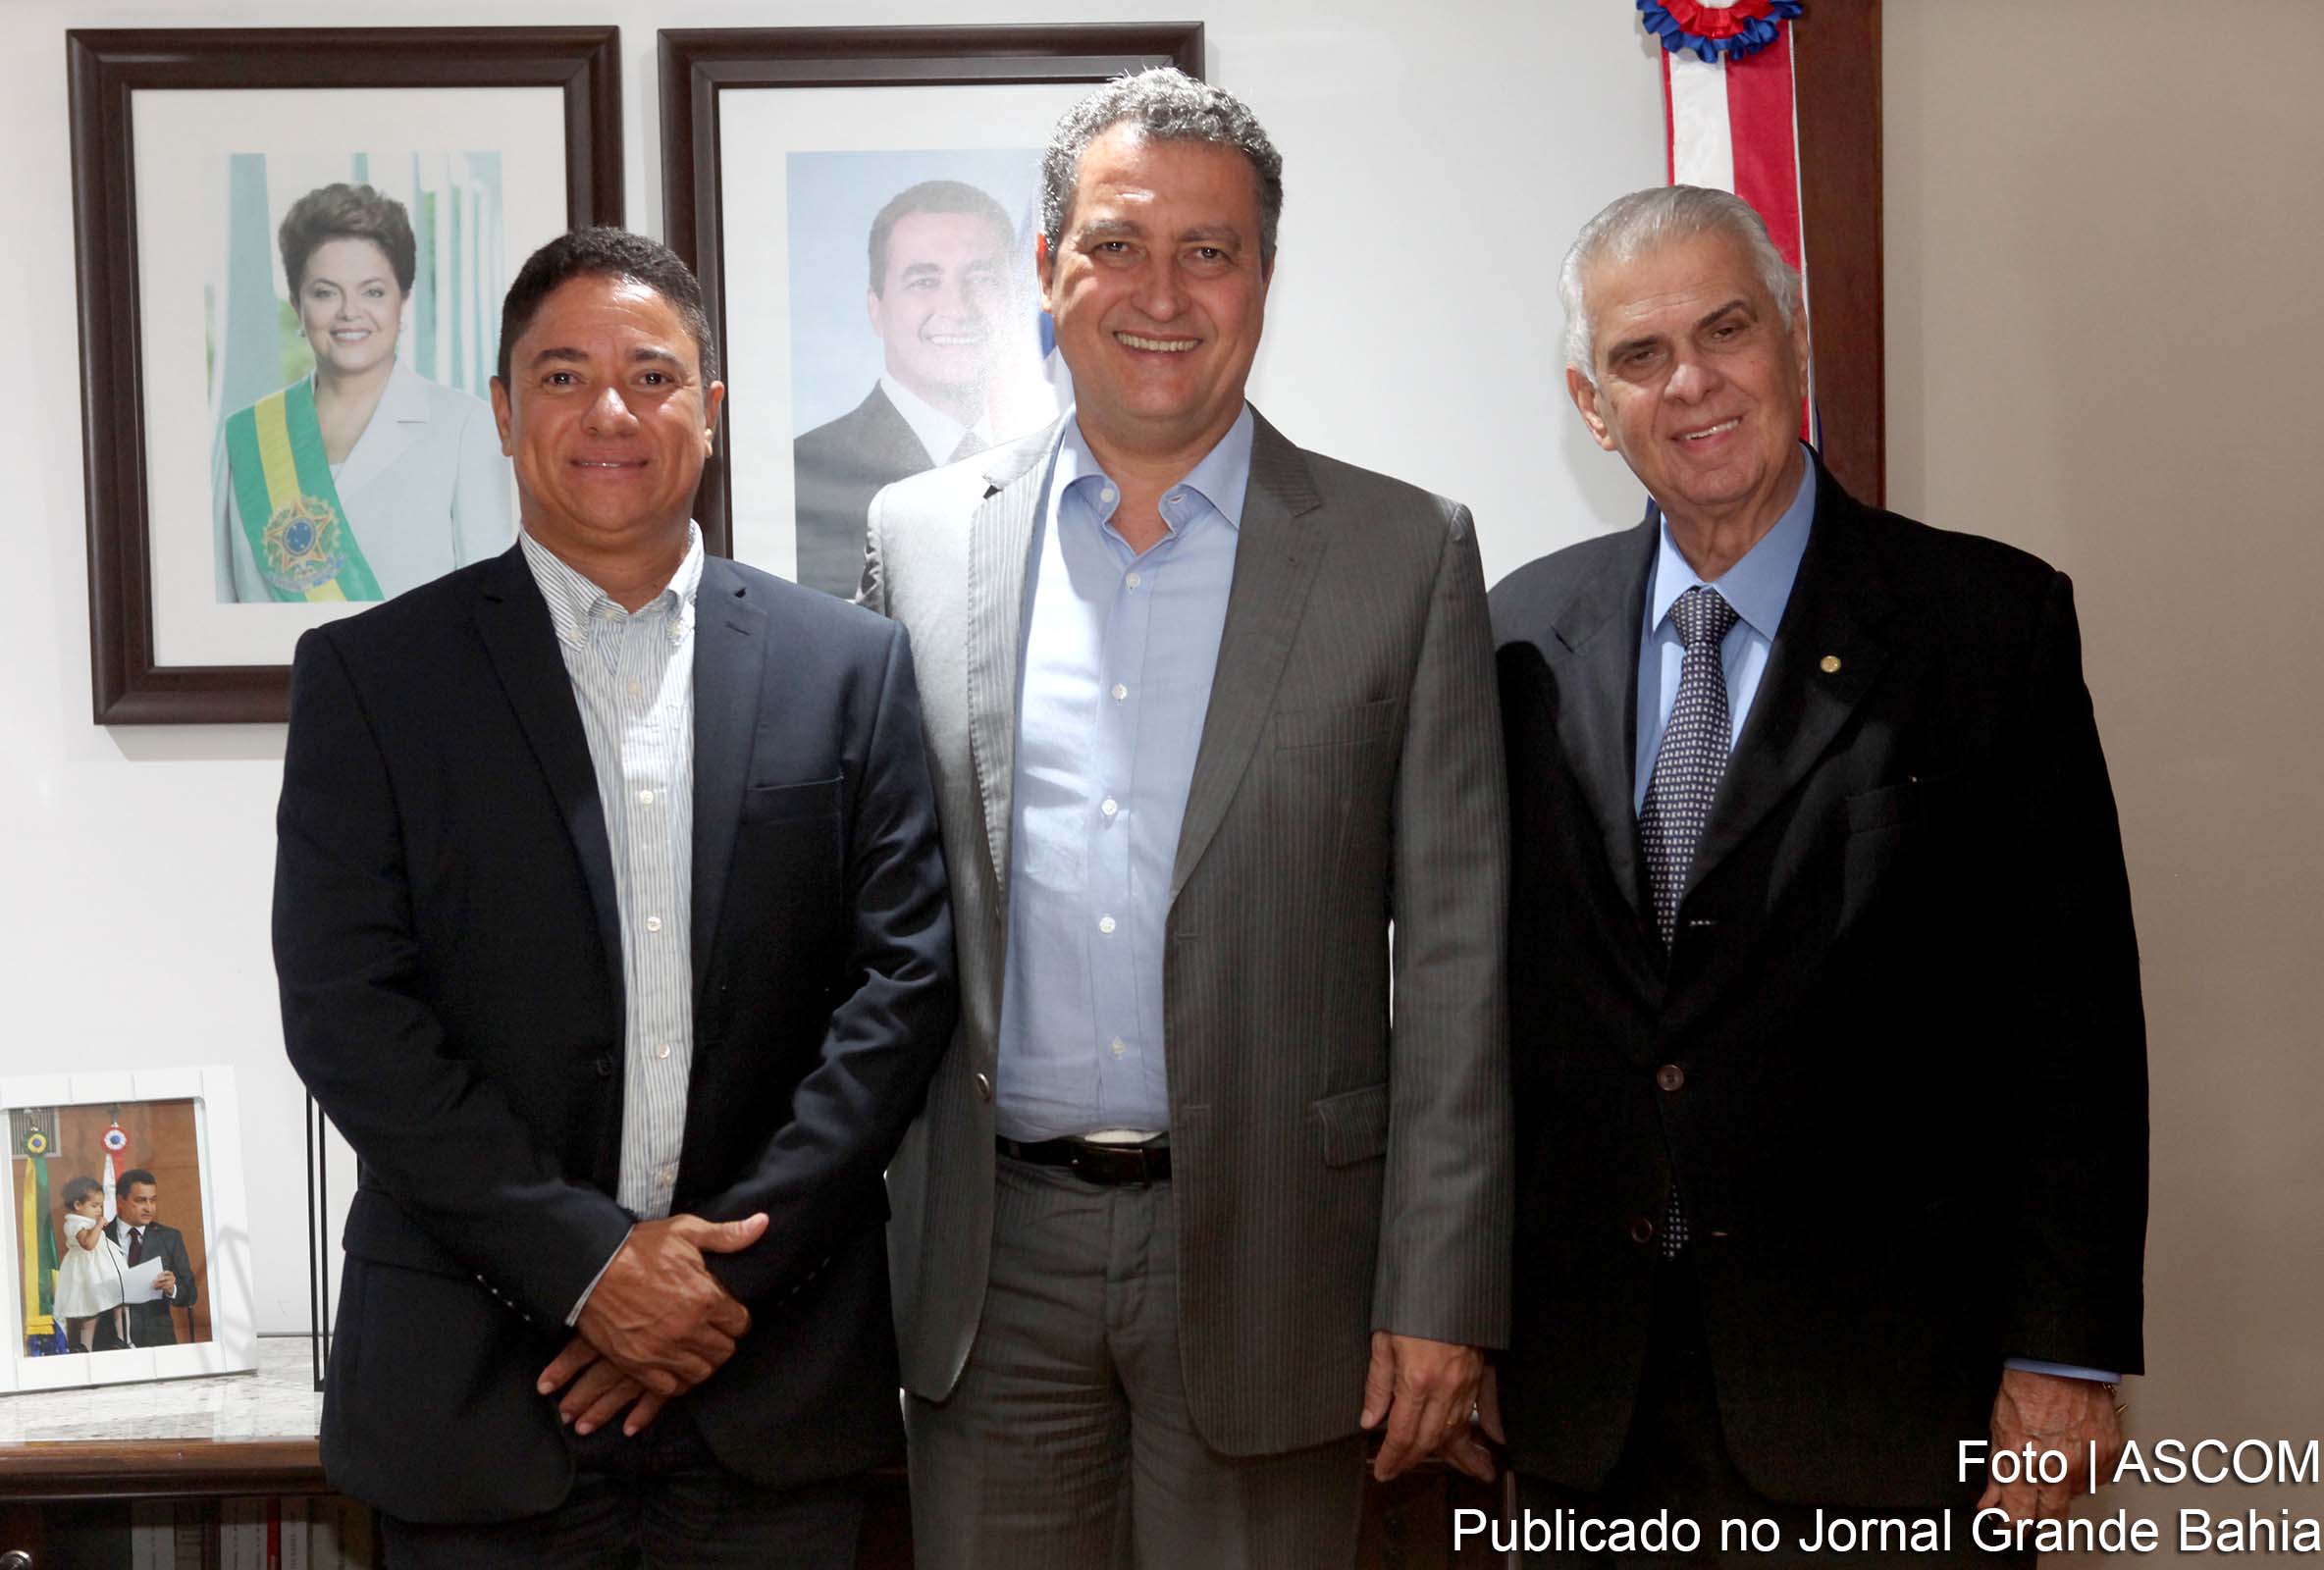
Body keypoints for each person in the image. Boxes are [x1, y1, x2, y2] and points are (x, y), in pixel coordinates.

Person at [863, 69, 1511, 1569]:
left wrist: (1440, 1290)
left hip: (1282, 1257)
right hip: (991, 1257)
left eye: (1209, 252)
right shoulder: (917, 538)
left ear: (1265, 279)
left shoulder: (1402, 555)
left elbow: (1463, 963)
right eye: (1116, 245)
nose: (1162, 292)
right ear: (1048, 272)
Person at [273, 227, 957, 1567]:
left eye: (652, 375)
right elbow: (350, 1013)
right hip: (476, 1394)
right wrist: (589, 1269)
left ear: (709, 408)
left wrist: (708, 1290)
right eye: (563, 375)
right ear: (501, 409)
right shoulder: (376, 678)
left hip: (769, 1383)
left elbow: (904, 989)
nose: (609, 413)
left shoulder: (851, 667)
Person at [1485, 184, 2147, 1563]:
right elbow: (1475, 1018)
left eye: (1726, 328)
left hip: (1885, 1393)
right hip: (1584, 1400)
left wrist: (2066, 1354)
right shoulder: (1513, 642)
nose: (1693, 382)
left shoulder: (1987, 628)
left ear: (1794, 337)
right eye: (1641, 355)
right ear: (1590, 404)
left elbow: (2071, 1020)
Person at [214, 181, 513, 602]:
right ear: (298, 306)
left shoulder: (466, 426)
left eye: (372, 291)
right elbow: (222, 608)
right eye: (324, 293)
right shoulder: (246, 437)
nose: (350, 312)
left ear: (402, 302)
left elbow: (491, 601)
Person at [792, 180, 1030, 599]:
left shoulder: (1057, 462)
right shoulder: (805, 474)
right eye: (924, 281)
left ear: (1013, 301)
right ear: (876, 309)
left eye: (982, 279)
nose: (957, 309)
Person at [103, 1170, 198, 1349]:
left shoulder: (170, 1238)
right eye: (140, 1200)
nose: (149, 1208)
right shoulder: (99, 1238)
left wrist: (173, 1288)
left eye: (153, 1200)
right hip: (108, 1341)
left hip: (157, 1341)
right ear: (120, 1201)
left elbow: (190, 1294)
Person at [54, 1176, 127, 1352]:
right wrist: (99, 1225)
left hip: (100, 1268)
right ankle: (86, 1346)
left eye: (100, 1206)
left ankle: (123, 1338)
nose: (99, 1210)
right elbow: (88, 1244)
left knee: (120, 1302)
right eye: (94, 1206)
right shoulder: (74, 1223)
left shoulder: (86, 1221)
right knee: (90, 1311)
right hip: (89, 1271)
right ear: (78, 1205)